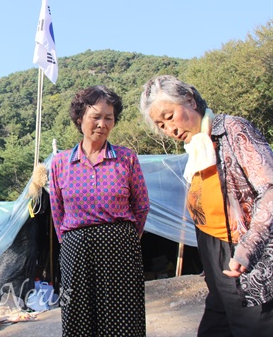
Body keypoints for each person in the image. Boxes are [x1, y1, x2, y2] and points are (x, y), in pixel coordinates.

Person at [140, 75, 273, 336]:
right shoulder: (197, 150)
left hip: (245, 262)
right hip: (217, 267)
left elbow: (270, 190)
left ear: (189, 100)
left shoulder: (232, 130)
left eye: (170, 116)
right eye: (161, 124)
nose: (170, 129)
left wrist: (247, 249)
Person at [49, 86, 150, 336]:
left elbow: (141, 205)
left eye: (109, 117)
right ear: (79, 118)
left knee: (123, 318)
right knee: (78, 318)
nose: (102, 124)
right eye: (96, 116)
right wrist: (71, 242)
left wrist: (126, 238)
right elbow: (57, 209)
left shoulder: (126, 159)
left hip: (120, 249)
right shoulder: (61, 162)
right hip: (76, 248)